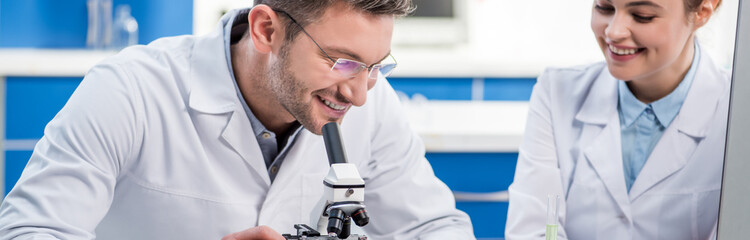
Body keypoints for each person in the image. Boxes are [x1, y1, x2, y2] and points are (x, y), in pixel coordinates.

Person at [0, 1, 475, 239]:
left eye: (375, 66)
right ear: (266, 29)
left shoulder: (372, 101)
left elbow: (432, 228)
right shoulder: (130, 91)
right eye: (341, 61)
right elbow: (30, 231)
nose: (359, 94)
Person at [506, 0, 727, 239]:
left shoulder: (735, 111)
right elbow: (532, 231)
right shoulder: (556, 92)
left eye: (642, 15)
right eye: (604, 8)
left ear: (703, 11)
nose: (613, 31)